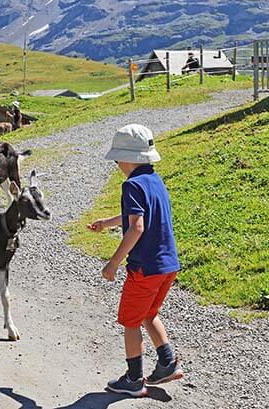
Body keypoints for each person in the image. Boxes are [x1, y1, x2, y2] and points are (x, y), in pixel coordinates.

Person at [88, 124, 183, 397]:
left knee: (130, 321)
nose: (116, 163)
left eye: (117, 157)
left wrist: (113, 263)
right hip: (168, 266)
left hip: (144, 267)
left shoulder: (131, 185)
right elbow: (138, 217)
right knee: (148, 314)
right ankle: (166, 363)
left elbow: (137, 227)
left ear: (128, 158)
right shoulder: (154, 180)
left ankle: (133, 380)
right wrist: (108, 222)